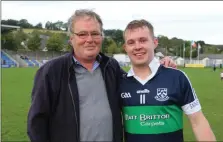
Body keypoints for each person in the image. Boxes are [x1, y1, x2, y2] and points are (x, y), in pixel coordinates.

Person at [27, 9, 176, 142]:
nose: (89, 39)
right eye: (82, 34)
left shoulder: (111, 67)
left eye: (95, 33)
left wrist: (159, 64)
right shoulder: (51, 71)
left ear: (102, 37)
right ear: (71, 39)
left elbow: (137, 83)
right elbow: (36, 122)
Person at [119, 19, 216, 142]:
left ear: (154, 42)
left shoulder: (177, 78)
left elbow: (198, 122)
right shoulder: (120, 82)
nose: (137, 47)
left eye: (143, 40)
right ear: (125, 47)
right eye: (131, 42)